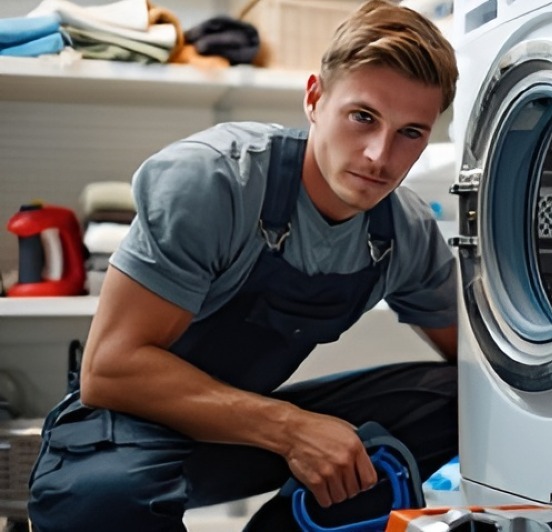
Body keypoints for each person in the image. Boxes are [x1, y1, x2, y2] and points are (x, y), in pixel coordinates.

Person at [27, 0, 459, 530]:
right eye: (362, 117)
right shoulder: (216, 182)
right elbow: (109, 369)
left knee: (459, 400)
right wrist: (292, 429)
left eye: (410, 132)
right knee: (104, 499)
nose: (379, 155)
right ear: (315, 99)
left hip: (237, 433)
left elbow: (485, 368)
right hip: (121, 432)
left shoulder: (405, 232)